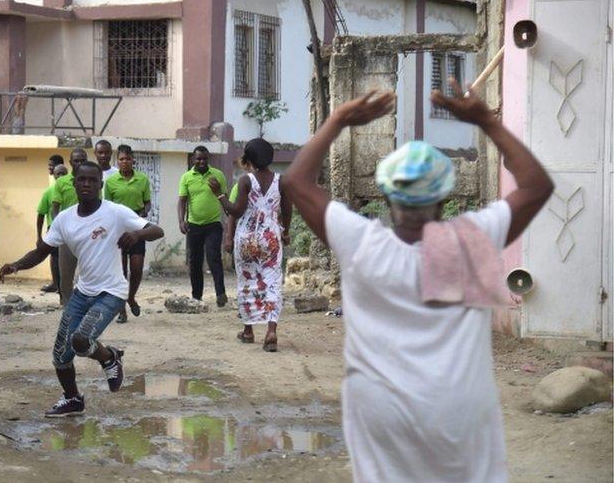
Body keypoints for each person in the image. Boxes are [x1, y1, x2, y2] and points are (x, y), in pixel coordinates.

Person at [283, 82, 553, 482]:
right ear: (445, 198)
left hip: (381, 413)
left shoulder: (360, 243)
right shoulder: (471, 240)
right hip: (458, 412)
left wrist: (339, 119)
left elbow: (295, 182)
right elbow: (536, 185)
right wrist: (485, 121)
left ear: (387, 197)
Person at [0, 161, 164, 417]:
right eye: (82, 180)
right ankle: (73, 399)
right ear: (73, 183)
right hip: (82, 292)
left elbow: (157, 230)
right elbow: (43, 251)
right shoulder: (65, 219)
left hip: (111, 292)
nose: (87, 184)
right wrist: (16, 265)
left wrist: (138, 235)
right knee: (60, 356)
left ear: (101, 184)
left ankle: (109, 357)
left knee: (81, 340)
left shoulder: (115, 212)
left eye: (92, 180)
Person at [212, 138, 291, 351]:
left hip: (247, 238)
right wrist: (286, 232)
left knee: (247, 281)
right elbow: (287, 208)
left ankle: (248, 330)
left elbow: (236, 211)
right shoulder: (281, 181)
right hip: (271, 237)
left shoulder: (246, 181)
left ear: (250, 157)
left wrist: (219, 194)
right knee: (272, 280)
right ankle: (271, 330)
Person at [103, 145, 151, 323]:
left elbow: (147, 203)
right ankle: (121, 309)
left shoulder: (143, 179)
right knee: (120, 272)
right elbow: (106, 206)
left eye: (128, 159)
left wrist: (144, 212)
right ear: (118, 161)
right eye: (122, 159)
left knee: (136, 269)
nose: (125, 162)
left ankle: (131, 297)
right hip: (118, 229)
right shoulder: (111, 181)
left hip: (137, 227)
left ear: (133, 160)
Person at [177, 146, 228, 306]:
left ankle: (221, 294)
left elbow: (224, 198)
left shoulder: (217, 175)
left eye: (204, 158)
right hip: (194, 226)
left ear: (208, 159)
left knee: (214, 258)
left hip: (213, 224)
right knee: (195, 262)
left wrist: (218, 191)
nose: (201, 162)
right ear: (193, 159)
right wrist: (181, 221)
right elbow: (182, 201)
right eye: (198, 159)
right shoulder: (186, 177)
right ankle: (197, 296)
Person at [52, 148, 89, 305]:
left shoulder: (91, 181)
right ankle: (67, 304)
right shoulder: (61, 182)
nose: (79, 163)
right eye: (76, 160)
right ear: (70, 162)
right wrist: (59, 229)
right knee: (66, 274)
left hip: (88, 234)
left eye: (82, 160)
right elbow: (55, 208)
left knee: (89, 272)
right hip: (67, 235)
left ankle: (87, 303)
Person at [37, 164, 68, 293]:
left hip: (70, 228)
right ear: (53, 175)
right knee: (55, 257)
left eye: (63, 173)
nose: (60, 176)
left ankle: (67, 286)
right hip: (54, 228)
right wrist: (38, 236)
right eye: (58, 174)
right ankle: (56, 284)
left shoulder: (72, 189)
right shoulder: (48, 192)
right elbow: (41, 214)